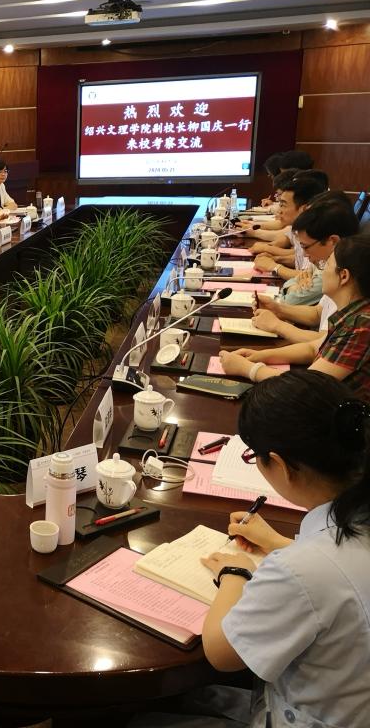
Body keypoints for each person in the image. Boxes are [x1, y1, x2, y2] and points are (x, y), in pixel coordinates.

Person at [198, 370, 370, 728]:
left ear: (279, 464)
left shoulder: (301, 570)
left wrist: (234, 574)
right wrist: (276, 542)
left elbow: (220, 652)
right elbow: (346, 571)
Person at [220, 233, 370, 400]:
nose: (321, 271)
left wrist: (248, 369)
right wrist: (259, 356)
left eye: (327, 264)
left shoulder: (361, 324)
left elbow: (305, 387)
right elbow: (313, 348)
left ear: (343, 276)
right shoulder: (352, 313)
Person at [252, 192, 358, 343]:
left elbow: (327, 342)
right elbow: (317, 313)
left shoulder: (346, 276)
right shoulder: (331, 264)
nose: (304, 255)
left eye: (306, 247)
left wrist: (277, 326)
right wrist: (277, 308)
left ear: (333, 241)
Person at [249, 175, 328, 307]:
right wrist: (277, 258)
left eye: (283, 205)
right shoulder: (301, 230)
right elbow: (301, 269)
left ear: (304, 209)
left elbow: (308, 280)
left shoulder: (317, 235)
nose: (279, 210)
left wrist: (274, 266)